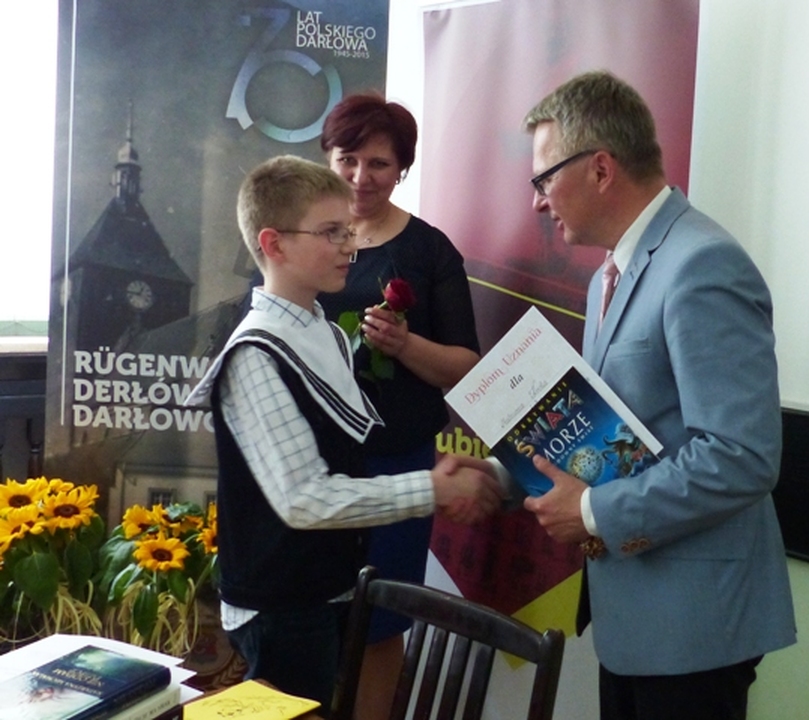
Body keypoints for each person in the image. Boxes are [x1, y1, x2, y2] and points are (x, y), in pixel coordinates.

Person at [520, 71, 796, 720]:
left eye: (543, 179)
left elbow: (740, 455)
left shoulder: (702, 264)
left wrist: (593, 513)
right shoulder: (606, 277)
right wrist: (505, 477)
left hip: (693, 628)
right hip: (634, 618)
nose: (537, 202)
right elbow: (610, 432)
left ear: (600, 168)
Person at [185, 155, 501, 710]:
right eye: (331, 233)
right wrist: (432, 488)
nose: (349, 248)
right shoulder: (255, 355)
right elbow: (305, 499)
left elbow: (347, 455)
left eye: (348, 231)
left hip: (329, 587)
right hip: (282, 602)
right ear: (274, 244)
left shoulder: (325, 332)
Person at [317, 93, 481, 720]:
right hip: (310, 464)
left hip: (398, 463)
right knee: (306, 615)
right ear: (327, 158)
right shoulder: (302, 238)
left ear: (403, 169)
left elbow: (467, 367)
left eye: (379, 164)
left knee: (382, 622)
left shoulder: (430, 251)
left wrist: (405, 345)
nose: (361, 177)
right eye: (348, 159)